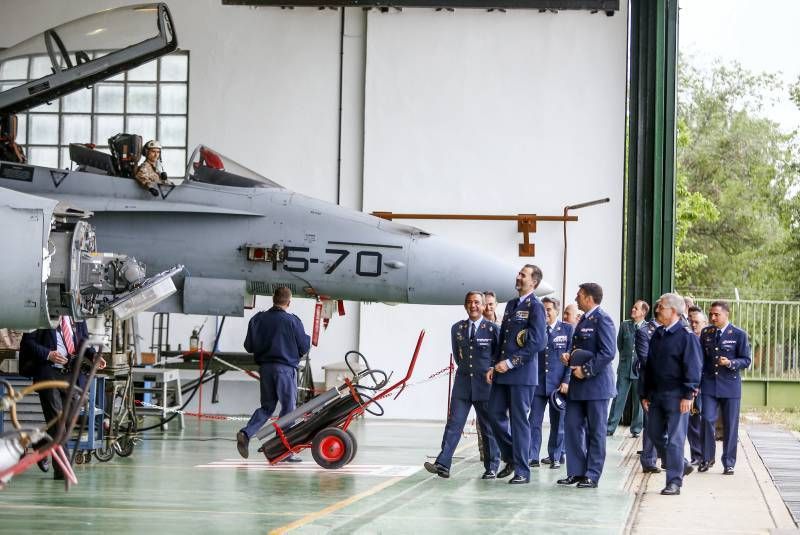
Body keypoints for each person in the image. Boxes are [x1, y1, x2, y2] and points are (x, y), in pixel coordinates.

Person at [19, 316, 106, 480]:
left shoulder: (76, 314)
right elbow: (27, 343)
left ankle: (41, 444)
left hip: (70, 374)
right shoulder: (41, 314)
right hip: (48, 373)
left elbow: (84, 341)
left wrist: (93, 355)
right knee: (58, 424)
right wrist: (48, 354)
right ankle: (63, 471)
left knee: (68, 421)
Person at [425, 292, 500, 479]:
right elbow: (458, 357)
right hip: (463, 384)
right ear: (465, 306)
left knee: (487, 427)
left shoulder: (492, 329)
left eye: (476, 302)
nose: (472, 305)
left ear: (483, 306)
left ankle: (492, 466)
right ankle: (443, 463)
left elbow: (498, 357)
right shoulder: (457, 328)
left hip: (485, 385)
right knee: (454, 424)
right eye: (469, 302)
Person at [486, 264, 547, 484]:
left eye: (523, 275)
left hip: (521, 374)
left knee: (520, 421)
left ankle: (522, 470)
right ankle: (512, 456)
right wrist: (495, 365)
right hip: (503, 372)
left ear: (534, 282)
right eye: (519, 274)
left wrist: (511, 363)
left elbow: (538, 342)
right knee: (493, 413)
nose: (518, 277)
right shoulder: (512, 304)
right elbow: (503, 340)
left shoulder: (536, 307)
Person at [236, 287, 310, 460]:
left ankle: (246, 433)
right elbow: (304, 347)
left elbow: (249, 346)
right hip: (285, 369)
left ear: (273, 299)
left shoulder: (258, 319)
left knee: (267, 407)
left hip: (266, 369)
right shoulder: (293, 321)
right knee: (289, 409)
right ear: (289, 302)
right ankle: (283, 449)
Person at [640, 293, 702, 496]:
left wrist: (688, 395)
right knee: (655, 434)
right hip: (657, 395)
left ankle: (674, 482)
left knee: (676, 439)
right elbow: (650, 367)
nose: (657, 310)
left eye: (661, 307)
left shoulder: (687, 337)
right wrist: (645, 394)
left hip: (678, 396)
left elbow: (693, 368)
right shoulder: (658, 334)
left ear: (673, 311)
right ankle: (681, 464)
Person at [558, 282, 616, 489]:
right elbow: (582, 348)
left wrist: (586, 370)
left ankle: (592, 474)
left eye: (579, 295)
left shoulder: (603, 319)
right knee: (572, 427)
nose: (576, 298)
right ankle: (576, 472)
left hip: (596, 386)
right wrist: (570, 358)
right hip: (578, 385)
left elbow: (608, 352)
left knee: (596, 431)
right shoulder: (583, 319)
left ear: (589, 298)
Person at [698, 300, 751, 475]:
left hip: (730, 385)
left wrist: (730, 362)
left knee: (730, 425)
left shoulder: (738, 334)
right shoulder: (706, 333)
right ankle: (707, 458)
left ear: (726, 315)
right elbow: (701, 360)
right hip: (709, 385)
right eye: (711, 314)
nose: (712, 317)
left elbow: (746, 360)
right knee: (706, 419)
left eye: (716, 314)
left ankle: (729, 462)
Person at [528, 296, 572, 469]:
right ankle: (532, 456)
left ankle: (555, 456)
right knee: (534, 422)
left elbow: (571, 357)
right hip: (537, 385)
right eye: (543, 309)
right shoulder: (535, 329)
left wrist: (566, 381)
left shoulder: (567, 330)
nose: (545, 313)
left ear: (557, 311)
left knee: (558, 424)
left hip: (558, 386)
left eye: (548, 309)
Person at [607, 300, 649, 437]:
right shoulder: (625, 325)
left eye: (636, 308)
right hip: (625, 368)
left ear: (643, 312)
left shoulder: (648, 328)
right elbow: (620, 345)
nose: (633, 309)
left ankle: (636, 429)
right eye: (633, 307)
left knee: (639, 400)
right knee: (618, 397)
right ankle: (610, 427)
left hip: (640, 369)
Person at [635, 314, 661, 473]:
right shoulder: (644, 332)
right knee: (652, 423)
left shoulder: (674, 329)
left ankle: (668, 459)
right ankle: (649, 461)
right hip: (650, 384)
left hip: (669, 385)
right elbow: (645, 359)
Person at [686, 306, 708, 464]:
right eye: (691, 322)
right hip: (692, 387)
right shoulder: (686, 339)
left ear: (705, 323)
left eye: (697, 322)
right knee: (693, 422)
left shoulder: (709, 341)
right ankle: (697, 455)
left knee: (705, 422)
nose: (693, 325)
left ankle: (706, 456)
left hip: (707, 386)